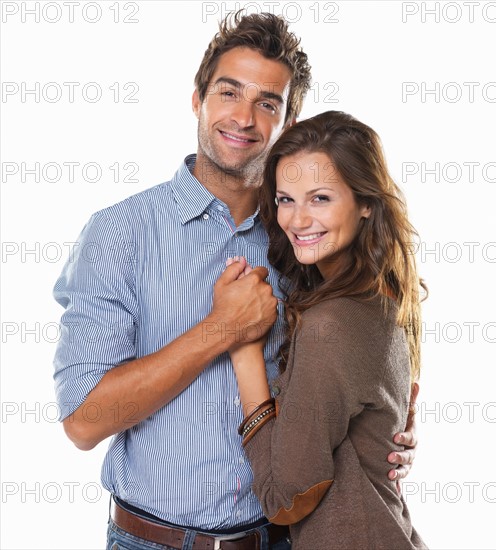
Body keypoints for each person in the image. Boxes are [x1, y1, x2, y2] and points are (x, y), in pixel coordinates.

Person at [52, 12, 418, 550]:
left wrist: (382, 434)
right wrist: (222, 331)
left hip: (285, 537)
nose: (244, 118)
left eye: (267, 103)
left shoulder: (306, 239)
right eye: (229, 92)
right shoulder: (119, 233)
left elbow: (345, 364)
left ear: (288, 123)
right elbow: (84, 421)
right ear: (198, 100)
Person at [224, 111, 427, 548]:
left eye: (319, 199)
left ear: (366, 201)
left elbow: (285, 502)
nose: (297, 221)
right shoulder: (382, 295)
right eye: (285, 200)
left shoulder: (329, 324)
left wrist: (242, 350)